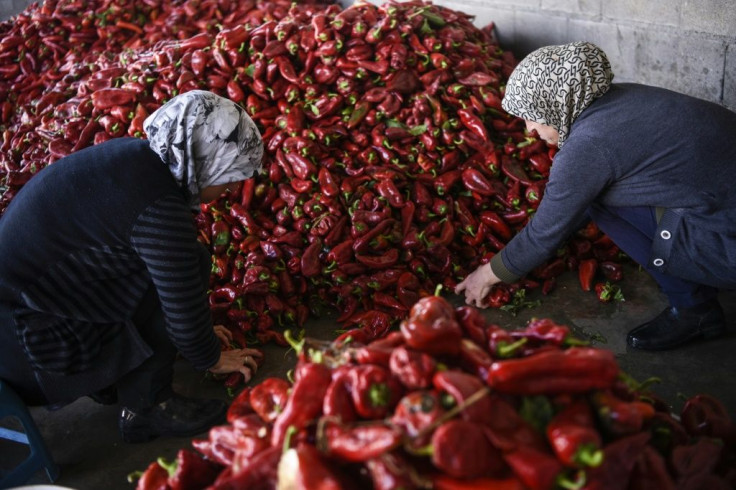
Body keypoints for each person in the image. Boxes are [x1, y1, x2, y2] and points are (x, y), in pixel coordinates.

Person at [0, 90, 265, 443]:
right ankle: (148, 408)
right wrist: (209, 355)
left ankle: (110, 380)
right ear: (205, 161)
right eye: (229, 174)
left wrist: (195, 335)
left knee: (173, 267)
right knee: (188, 266)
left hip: (22, 320)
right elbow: (181, 306)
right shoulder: (158, 210)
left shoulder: (138, 156)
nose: (233, 187)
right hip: (31, 353)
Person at [456, 42, 736, 351]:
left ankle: (693, 310)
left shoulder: (589, 145)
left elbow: (543, 236)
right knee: (594, 199)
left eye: (532, 115)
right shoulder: (623, 96)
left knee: (598, 203)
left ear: (555, 101)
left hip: (730, 247)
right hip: (723, 210)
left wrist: (485, 275)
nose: (530, 129)